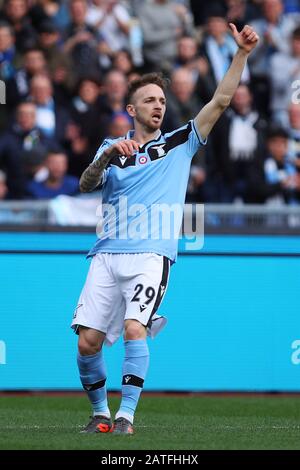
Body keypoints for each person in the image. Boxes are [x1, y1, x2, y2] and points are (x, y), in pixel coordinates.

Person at [72, 23, 259, 435]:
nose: (158, 105)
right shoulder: (112, 149)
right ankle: (100, 413)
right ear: (132, 111)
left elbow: (222, 100)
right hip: (106, 254)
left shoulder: (180, 143)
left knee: (134, 327)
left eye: (161, 99)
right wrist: (105, 159)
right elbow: (85, 184)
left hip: (151, 254)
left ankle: (126, 417)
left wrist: (241, 53)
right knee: (87, 341)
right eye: (149, 100)